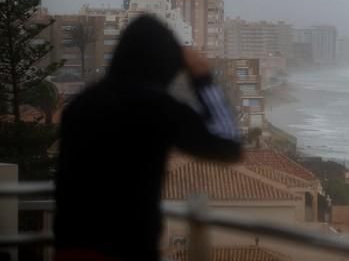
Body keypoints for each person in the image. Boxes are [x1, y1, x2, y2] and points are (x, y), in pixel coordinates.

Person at [54, 15, 242, 261]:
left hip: (69, 251)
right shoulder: (157, 108)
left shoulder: (80, 105)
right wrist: (202, 79)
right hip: (128, 251)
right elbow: (227, 143)